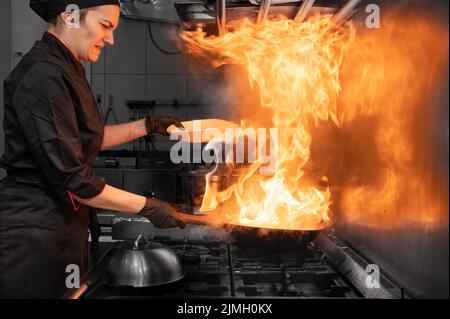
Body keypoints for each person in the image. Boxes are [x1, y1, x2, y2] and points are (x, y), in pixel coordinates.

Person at [0, 0, 186, 298]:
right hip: (34, 234)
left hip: (60, 226)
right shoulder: (43, 74)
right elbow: (73, 180)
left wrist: (148, 125)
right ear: (70, 15)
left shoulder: (66, 66)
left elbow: (86, 139)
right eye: (105, 26)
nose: (110, 39)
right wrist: (146, 206)